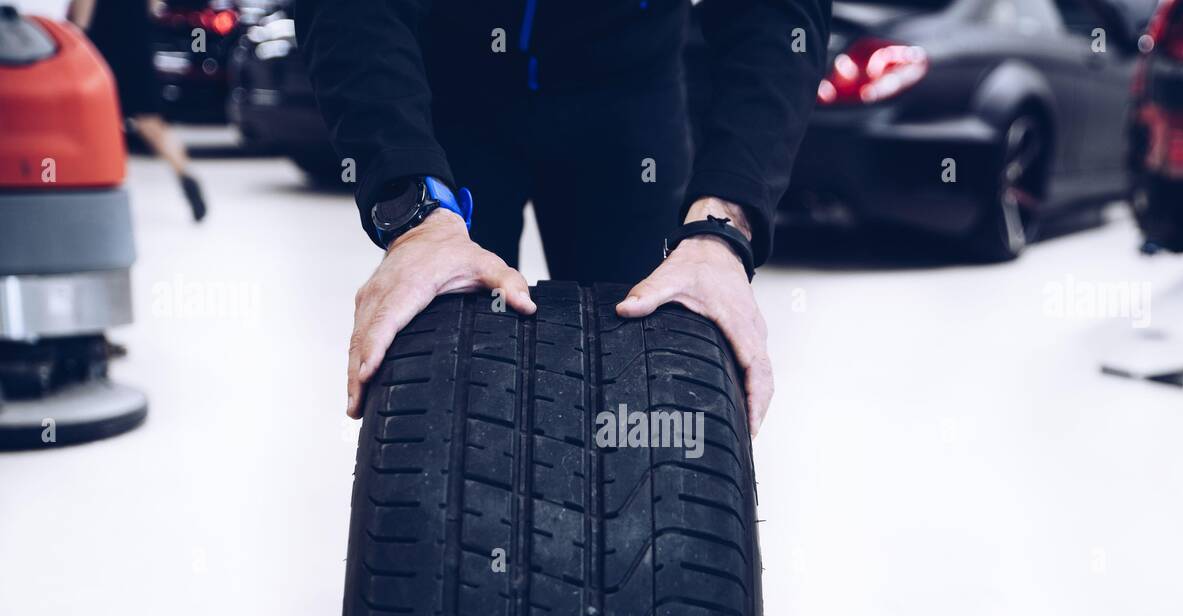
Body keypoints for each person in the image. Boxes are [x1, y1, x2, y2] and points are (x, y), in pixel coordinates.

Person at [297, 0, 830, 432]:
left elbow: (774, 14)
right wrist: (413, 210)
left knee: (645, 384)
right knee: (445, 377)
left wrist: (723, 226)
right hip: (450, 87)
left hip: (627, 96)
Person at [70, 0, 207, 222]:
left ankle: (101, 192)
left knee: (99, 123)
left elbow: (85, 5)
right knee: (151, 122)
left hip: (104, 44)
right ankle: (185, 173)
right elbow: (154, 6)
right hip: (137, 42)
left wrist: (78, 32)